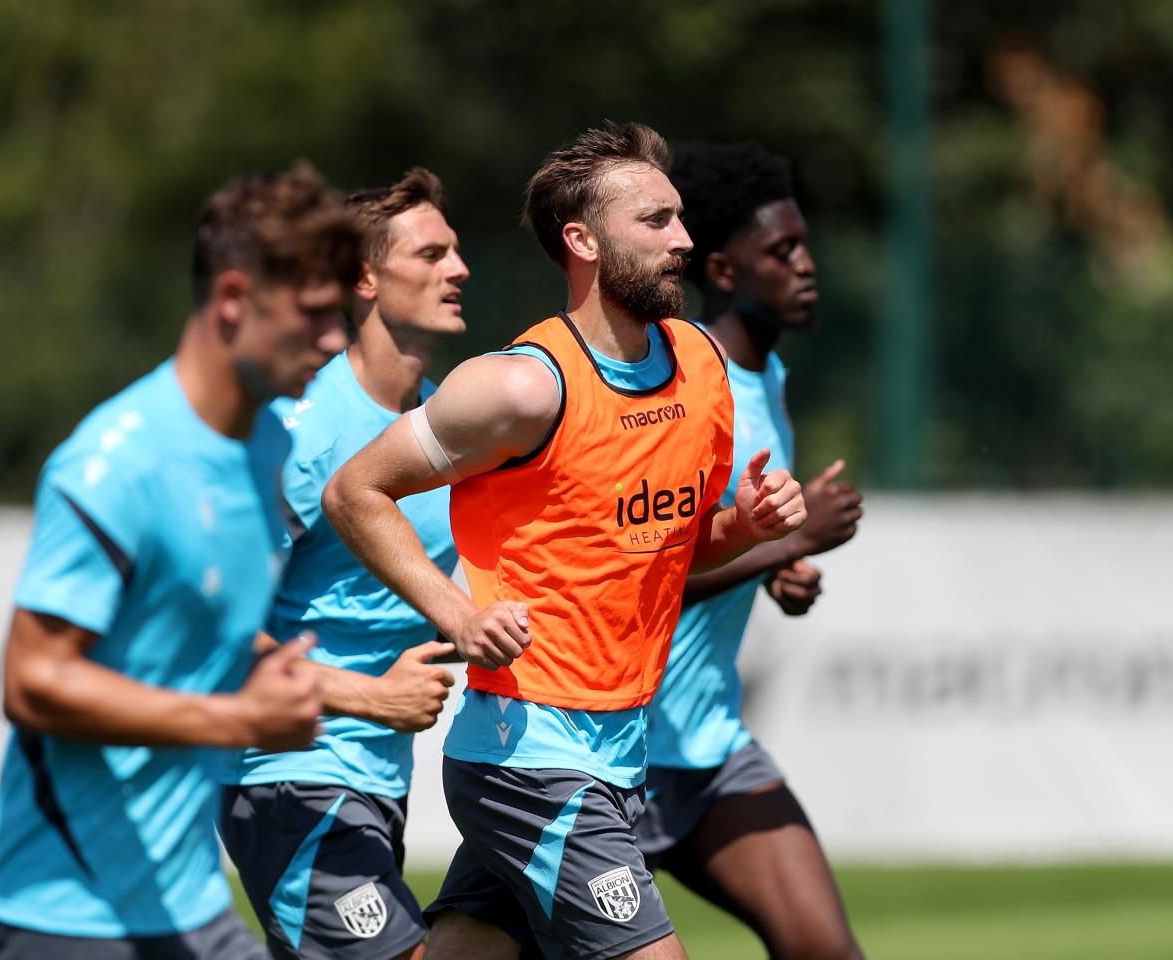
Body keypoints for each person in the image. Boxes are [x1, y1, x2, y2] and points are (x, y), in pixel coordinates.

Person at [322, 122, 808, 960]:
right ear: (581, 241)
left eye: (681, 219)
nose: (684, 241)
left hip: (620, 749)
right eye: (655, 222)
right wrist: (457, 613)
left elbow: (671, 547)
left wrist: (745, 527)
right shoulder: (519, 388)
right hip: (529, 757)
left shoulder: (699, 366)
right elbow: (354, 490)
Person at [0, 163, 361, 960]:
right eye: (315, 314)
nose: (336, 339)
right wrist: (239, 719)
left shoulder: (271, 445)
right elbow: (31, 682)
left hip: (186, 906)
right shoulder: (116, 465)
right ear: (235, 300)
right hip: (57, 917)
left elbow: (192, 634)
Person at [219, 168, 468, 960]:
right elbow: (213, 630)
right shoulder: (304, 431)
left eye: (456, 251)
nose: (458, 269)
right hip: (287, 777)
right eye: (430, 254)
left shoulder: (444, 425)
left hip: (376, 782)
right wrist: (371, 696)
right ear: (363, 278)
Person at [636, 141, 866, 960]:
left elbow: (727, 539)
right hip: (614, 756)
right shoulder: (690, 393)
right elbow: (643, 572)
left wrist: (780, 572)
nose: (807, 266)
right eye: (782, 251)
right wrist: (793, 540)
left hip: (706, 747)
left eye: (803, 245)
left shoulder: (767, 382)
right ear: (725, 272)